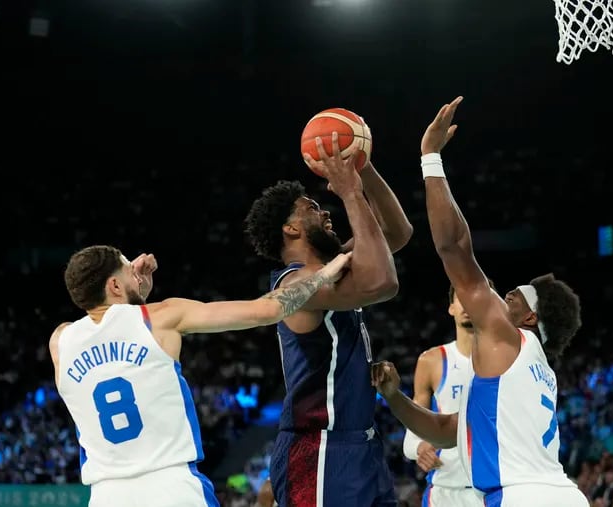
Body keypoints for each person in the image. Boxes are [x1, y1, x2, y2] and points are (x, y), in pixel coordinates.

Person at [371, 97, 588, 507]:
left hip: (522, 498)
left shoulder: (509, 338)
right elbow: (446, 430)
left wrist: (430, 158)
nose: (504, 294)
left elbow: (453, 246)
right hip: (559, 494)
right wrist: (395, 397)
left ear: (530, 316)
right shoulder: (531, 371)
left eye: (515, 295)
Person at [50, 244, 352, 507]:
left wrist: (133, 289)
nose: (137, 274)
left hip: (106, 496)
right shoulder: (162, 316)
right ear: (115, 286)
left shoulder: (60, 341)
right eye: (131, 271)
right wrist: (323, 275)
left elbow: (113, 333)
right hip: (172, 487)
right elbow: (266, 310)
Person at [244, 131, 413, 507]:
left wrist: (363, 168)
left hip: (361, 443)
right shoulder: (299, 282)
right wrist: (351, 193)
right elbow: (383, 282)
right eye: (311, 208)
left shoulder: (331, 267)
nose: (325, 212)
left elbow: (398, 233)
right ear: (290, 229)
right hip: (318, 448)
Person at [402, 282, 492, 506]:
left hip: (491, 490)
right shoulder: (432, 361)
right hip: (445, 491)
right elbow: (414, 427)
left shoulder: (506, 361)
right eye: (461, 298)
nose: (467, 304)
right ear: (451, 307)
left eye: (474, 297)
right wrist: (419, 448)